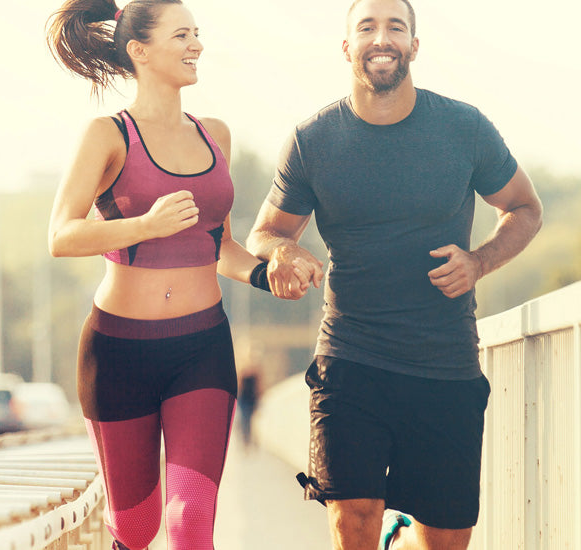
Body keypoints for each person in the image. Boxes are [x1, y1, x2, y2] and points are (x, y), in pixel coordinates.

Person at [245, 0, 543, 549]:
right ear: (347, 46)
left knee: (446, 537)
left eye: (395, 27)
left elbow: (526, 208)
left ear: (414, 45)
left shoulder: (464, 127)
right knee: (353, 514)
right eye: (366, 27)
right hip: (351, 356)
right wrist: (283, 253)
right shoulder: (314, 138)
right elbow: (262, 233)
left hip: (445, 362)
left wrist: (479, 262)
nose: (381, 38)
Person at [46, 1, 280, 548]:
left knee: (191, 516)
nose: (196, 45)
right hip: (118, 351)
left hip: (201, 347)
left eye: (197, 33)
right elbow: (60, 235)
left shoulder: (214, 134)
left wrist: (270, 275)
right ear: (140, 51)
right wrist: (143, 227)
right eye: (182, 35)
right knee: (136, 525)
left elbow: (221, 247)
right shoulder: (106, 134)